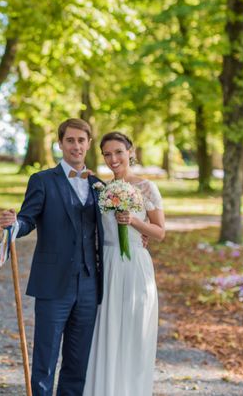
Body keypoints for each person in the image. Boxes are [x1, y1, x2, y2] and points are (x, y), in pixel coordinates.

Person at [0, 118, 104, 396]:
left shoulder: (98, 185)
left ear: (89, 144)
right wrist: (14, 225)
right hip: (53, 283)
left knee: (78, 360)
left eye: (81, 140)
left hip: (89, 284)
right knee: (45, 357)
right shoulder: (42, 180)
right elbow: (28, 219)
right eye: (70, 140)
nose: (76, 146)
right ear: (60, 143)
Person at [82, 131, 165, 396]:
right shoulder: (100, 190)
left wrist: (135, 222)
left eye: (118, 152)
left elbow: (160, 232)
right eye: (107, 154)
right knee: (105, 330)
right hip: (107, 266)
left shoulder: (146, 187)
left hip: (135, 266)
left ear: (130, 151)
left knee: (134, 331)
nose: (113, 158)